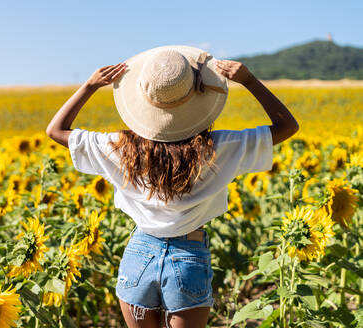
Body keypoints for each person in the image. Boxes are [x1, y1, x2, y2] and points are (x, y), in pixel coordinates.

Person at [46, 45, 299, 328]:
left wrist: (90, 86)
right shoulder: (219, 148)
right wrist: (250, 82)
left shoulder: (121, 149)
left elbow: (55, 131)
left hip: (138, 253)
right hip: (188, 256)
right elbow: (287, 125)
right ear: (197, 98)